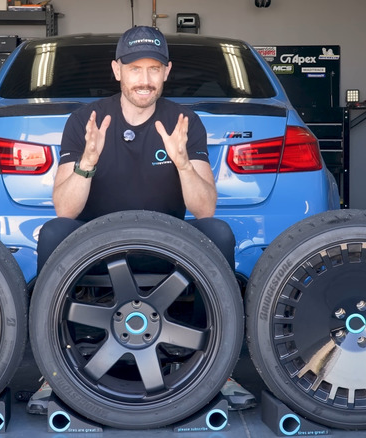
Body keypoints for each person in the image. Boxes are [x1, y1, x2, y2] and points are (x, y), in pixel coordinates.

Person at [28, 26, 255, 415]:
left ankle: (219, 368)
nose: (144, 79)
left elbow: (205, 210)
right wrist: (86, 163)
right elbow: (65, 210)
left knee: (218, 234)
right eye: (135, 69)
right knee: (54, 233)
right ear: (117, 70)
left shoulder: (184, 121)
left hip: (167, 250)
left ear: (167, 71)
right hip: (95, 251)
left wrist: (183, 161)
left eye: (153, 68)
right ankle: (54, 370)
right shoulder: (86, 120)